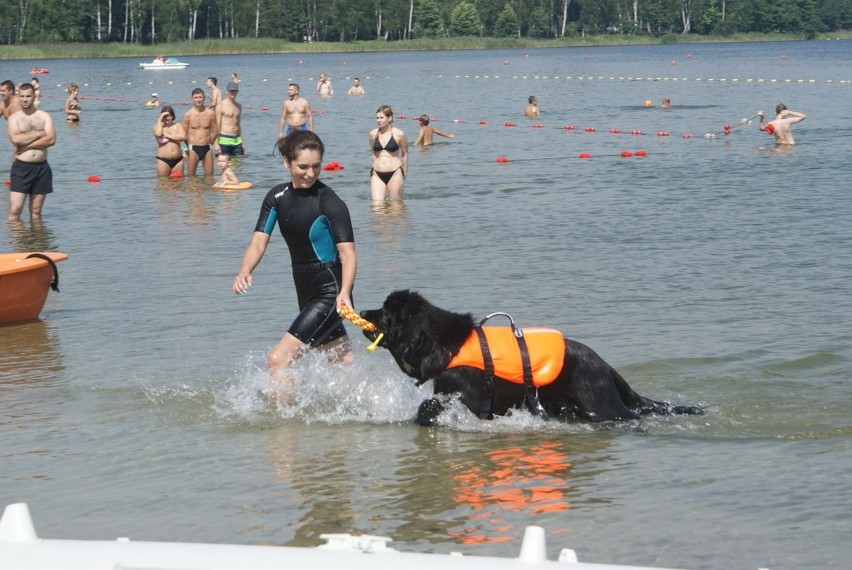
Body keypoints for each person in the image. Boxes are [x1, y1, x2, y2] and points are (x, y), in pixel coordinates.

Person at [232, 130, 357, 400]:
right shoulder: (276, 198)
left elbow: (348, 254)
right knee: (341, 367)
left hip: (330, 293)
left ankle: (284, 431)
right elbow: (258, 242)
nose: (310, 173)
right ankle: (371, 419)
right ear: (286, 162)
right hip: (305, 291)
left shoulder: (329, 202)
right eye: (303, 167)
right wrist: (245, 270)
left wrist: (345, 292)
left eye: (316, 166)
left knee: (278, 360)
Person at [6, 83, 56, 220]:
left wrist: (27, 146)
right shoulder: (14, 118)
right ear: (18, 97)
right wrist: (39, 134)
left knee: (36, 212)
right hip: (21, 167)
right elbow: (16, 140)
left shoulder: (44, 116)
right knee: (15, 210)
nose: (25, 99)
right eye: (22, 96)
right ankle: (16, 241)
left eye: (28, 96)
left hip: (42, 168)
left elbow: (51, 139)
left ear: (34, 96)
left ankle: (37, 240)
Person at [369, 105, 408, 201]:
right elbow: (374, 153)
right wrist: (374, 167)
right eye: (377, 118)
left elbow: (405, 154)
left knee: (395, 206)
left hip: (395, 173)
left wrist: (404, 173)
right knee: (377, 206)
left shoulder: (399, 134)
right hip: (377, 174)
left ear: (389, 118)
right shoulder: (373, 134)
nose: (379, 120)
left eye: (382, 118)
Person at [181, 87, 218, 175]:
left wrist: (210, 143)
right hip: (193, 148)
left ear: (204, 98)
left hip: (207, 148)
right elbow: (183, 134)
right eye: (196, 97)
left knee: (209, 178)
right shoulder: (188, 114)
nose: (198, 100)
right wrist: (186, 148)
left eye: (200, 97)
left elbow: (215, 131)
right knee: (191, 178)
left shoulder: (210, 114)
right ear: (192, 99)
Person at [153, 105, 185, 176]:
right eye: (165, 116)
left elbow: (183, 137)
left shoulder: (178, 125)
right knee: (164, 182)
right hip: (163, 160)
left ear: (173, 116)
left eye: (169, 115)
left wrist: (168, 136)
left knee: (178, 183)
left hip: (178, 160)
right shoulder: (157, 126)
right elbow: (158, 134)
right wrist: (160, 118)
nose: (167, 118)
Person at [215, 82, 245, 156]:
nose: (233, 92)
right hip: (224, 140)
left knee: (238, 165)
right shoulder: (220, 106)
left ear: (237, 91)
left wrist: (242, 143)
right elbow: (216, 126)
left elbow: (238, 125)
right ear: (227, 91)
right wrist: (216, 143)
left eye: (234, 91)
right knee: (224, 165)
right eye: (231, 90)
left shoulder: (239, 106)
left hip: (237, 141)